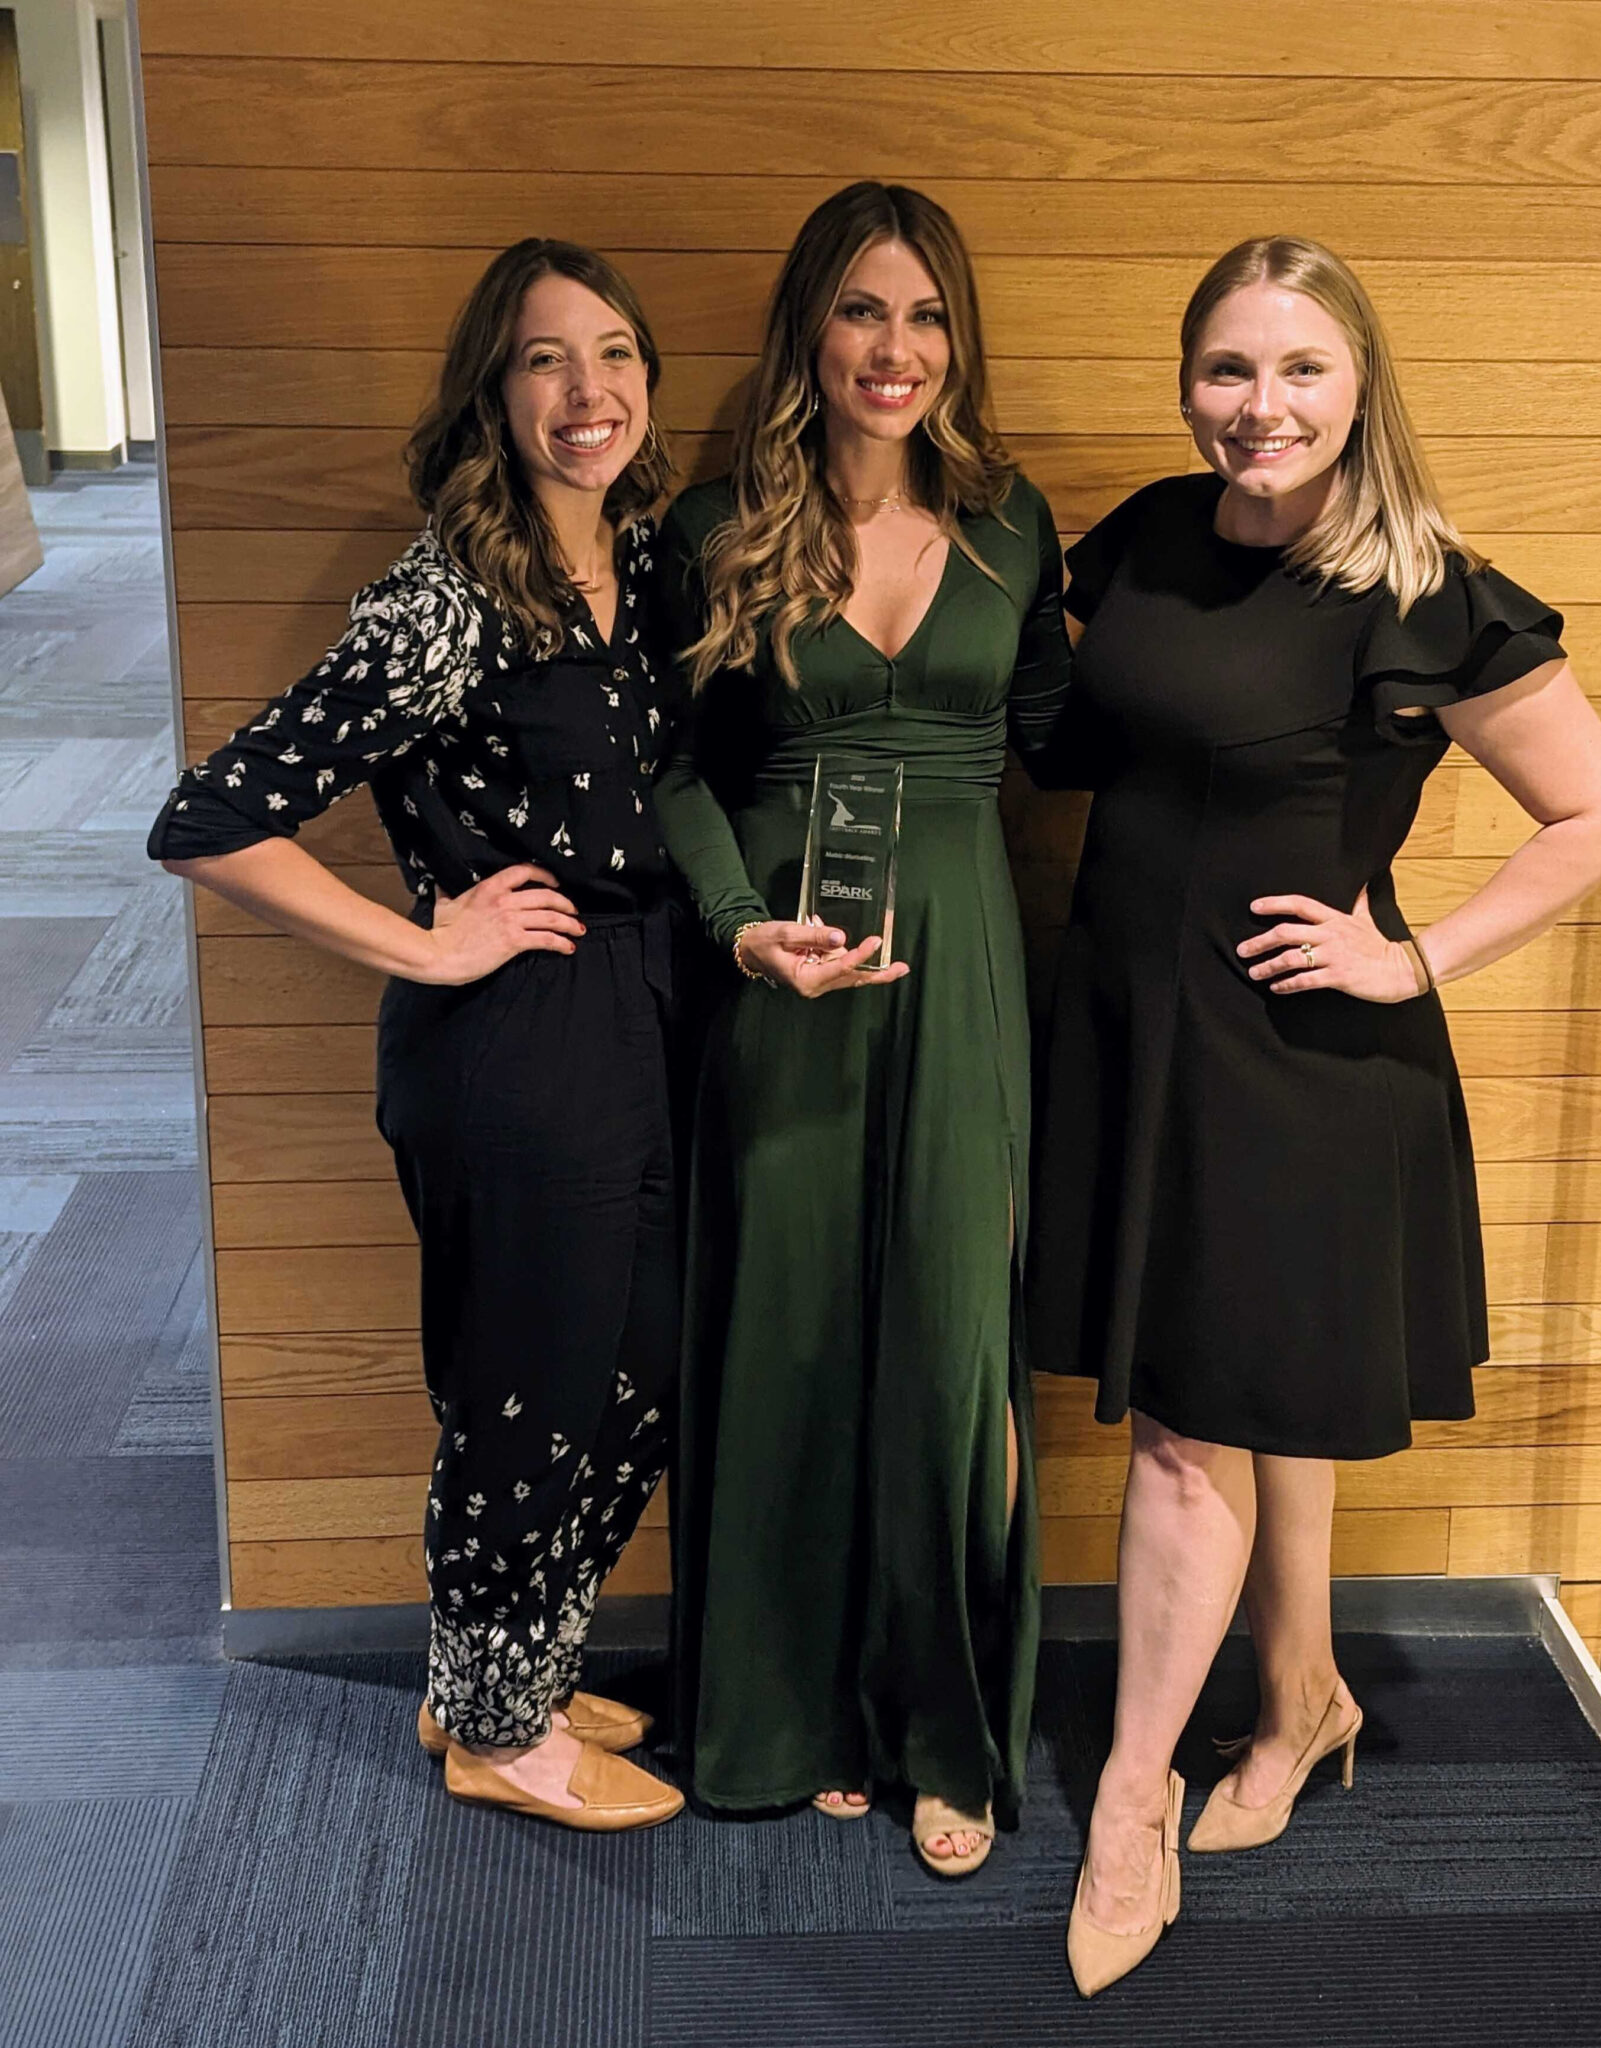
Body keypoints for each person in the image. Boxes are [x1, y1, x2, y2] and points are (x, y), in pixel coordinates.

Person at [1030, 236, 1601, 1993]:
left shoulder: (1420, 587)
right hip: (1129, 1032)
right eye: (1229, 369)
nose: (1260, 408)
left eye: (1299, 370)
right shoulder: (1146, 535)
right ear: (1186, 383)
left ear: (1360, 382)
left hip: (1297, 1065)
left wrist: (1415, 958)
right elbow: (1074, 736)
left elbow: (1596, 813)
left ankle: (1133, 1800)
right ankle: (1298, 1697)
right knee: (1248, 1397)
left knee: (1184, 1429)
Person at [150, 239, 691, 1833]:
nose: (586, 393)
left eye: (612, 353)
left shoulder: (647, 561)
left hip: (653, 1008)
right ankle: (501, 1735)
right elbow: (210, 821)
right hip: (516, 1038)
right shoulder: (445, 598)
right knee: (525, 1386)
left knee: (640, 1370)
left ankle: (491, 1670)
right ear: (492, 392)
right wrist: (423, 940)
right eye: (544, 360)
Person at [652, 181, 1071, 1874]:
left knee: (951, 1344)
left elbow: (1068, 730)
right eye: (860, 312)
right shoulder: (711, 524)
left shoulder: (1012, 517)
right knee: (790, 1333)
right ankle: (793, 1709)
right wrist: (738, 927)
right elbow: (670, 765)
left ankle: (940, 1724)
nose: (892, 351)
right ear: (806, 330)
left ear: (956, 342)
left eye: (924, 317)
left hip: (964, 964)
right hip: (781, 967)